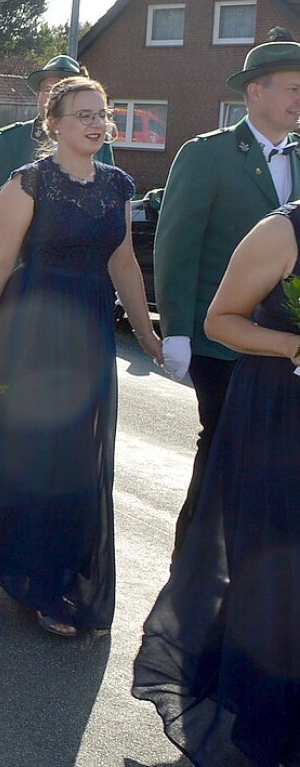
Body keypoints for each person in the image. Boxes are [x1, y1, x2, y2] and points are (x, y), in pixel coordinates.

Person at [0, 77, 160, 637]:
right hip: (29, 327)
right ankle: (25, 572)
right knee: (24, 444)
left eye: (103, 114)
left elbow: (123, 262)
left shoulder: (119, 185)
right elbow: (0, 262)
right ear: (54, 123)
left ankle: (58, 573)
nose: (98, 124)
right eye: (84, 115)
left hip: (89, 326)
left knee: (77, 449)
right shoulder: (27, 183)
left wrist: (144, 329)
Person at [133, 201, 300, 765]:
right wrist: (292, 344)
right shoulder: (281, 230)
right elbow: (221, 320)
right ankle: (260, 718)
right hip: (280, 416)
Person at [155, 30, 300, 556]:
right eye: (292, 88)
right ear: (255, 93)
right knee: (219, 448)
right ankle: (190, 569)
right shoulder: (209, 154)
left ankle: (255, 571)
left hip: (281, 342)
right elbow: (178, 246)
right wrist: (174, 330)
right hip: (218, 340)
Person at [0, 54, 112, 298]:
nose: (53, 96)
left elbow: (110, 213)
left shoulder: (100, 143)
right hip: (24, 275)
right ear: (38, 96)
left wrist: (117, 277)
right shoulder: (11, 141)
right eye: (47, 90)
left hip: (83, 276)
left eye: (65, 89)